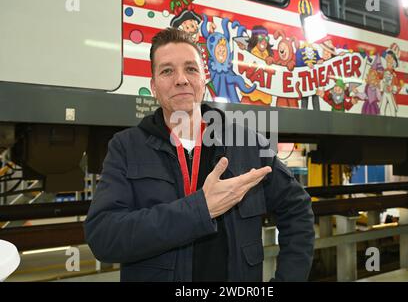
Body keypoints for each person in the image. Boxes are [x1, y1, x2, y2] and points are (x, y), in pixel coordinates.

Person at [84, 28, 315, 282]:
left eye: (191, 69)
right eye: (167, 71)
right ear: (153, 86)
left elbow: (297, 209)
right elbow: (103, 237)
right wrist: (200, 209)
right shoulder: (126, 147)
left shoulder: (247, 143)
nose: (181, 79)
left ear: (204, 80)